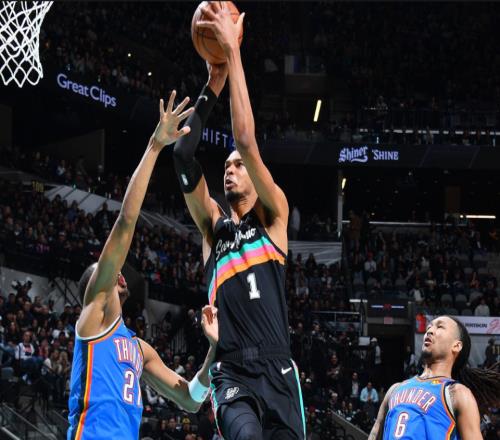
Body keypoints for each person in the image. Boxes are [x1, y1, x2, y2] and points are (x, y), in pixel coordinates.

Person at [174, 4, 305, 439]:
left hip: (278, 367)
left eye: (238, 166)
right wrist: (213, 84)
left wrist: (234, 54)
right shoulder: (212, 228)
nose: (230, 169)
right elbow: (182, 154)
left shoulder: (273, 216)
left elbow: (246, 141)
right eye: (226, 166)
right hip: (230, 371)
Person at [67, 91, 219, 440]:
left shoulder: (138, 349)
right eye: (106, 272)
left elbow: (190, 398)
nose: (117, 272)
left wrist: (214, 350)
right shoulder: (94, 314)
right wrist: (155, 146)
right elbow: (125, 223)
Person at [368, 316, 500, 439]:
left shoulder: (457, 393)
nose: (430, 331)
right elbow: (374, 434)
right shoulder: (395, 389)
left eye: (440, 327)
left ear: (456, 346)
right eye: (429, 327)